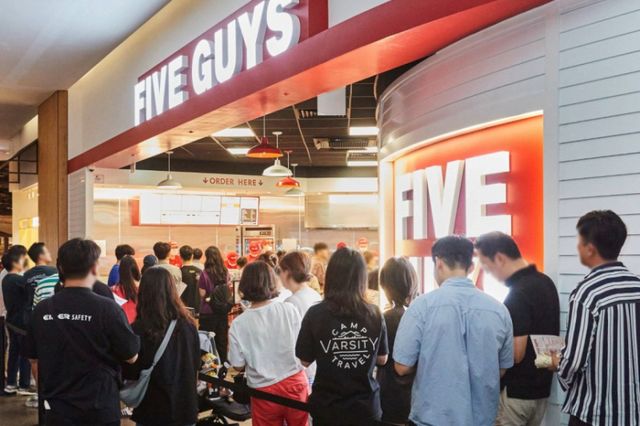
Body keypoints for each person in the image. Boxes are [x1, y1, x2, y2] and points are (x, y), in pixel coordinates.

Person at [394, 236, 513, 426]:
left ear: (438, 263)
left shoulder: (421, 307)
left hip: (431, 419)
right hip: (481, 420)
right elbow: (501, 368)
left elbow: (402, 366)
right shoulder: (499, 310)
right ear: (471, 267)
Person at [25, 238, 139, 426]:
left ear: (60, 268)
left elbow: (34, 361)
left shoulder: (42, 310)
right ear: (94, 268)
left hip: (57, 408)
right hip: (100, 406)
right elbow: (131, 356)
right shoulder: (108, 308)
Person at [550, 210, 640, 426]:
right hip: (634, 412)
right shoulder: (637, 286)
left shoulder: (587, 293)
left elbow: (573, 361)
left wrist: (555, 363)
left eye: (579, 242)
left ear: (590, 248)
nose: (577, 248)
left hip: (595, 412)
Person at [475, 232, 560, 426]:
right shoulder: (545, 282)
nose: (488, 273)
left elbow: (516, 354)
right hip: (541, 391)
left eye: (486, 266)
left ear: (500, 258)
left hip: (516, 395)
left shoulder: (518, 294)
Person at [296, 247, 389, 425]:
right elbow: (382, 359)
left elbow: (304, 360)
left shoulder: (315, 314)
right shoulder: (374, 313)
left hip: (328, 408)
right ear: (361, 278)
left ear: (331, 276)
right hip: (365, 408)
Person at [229, 261, 308, 426]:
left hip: (263, 389)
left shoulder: (239, 323)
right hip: (294, 381)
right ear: (272, 281)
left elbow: (237, 364)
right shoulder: (289, 309)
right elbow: (302, 347)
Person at [122, 267, 200, 426]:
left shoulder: (138, 329)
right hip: (185, 408)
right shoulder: (188, 325)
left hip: (152, 410)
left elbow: (131, 372)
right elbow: (195, 365)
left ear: (143, 293)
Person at [376, 257, 418, 425]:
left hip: (388, 393)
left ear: (385, 286)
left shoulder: (383, 318)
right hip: (415, 393)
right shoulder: (418, 316)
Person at [279, 251, 322, 385]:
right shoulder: (314, 294)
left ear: (287, 272)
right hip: (313, 366)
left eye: (280, 271)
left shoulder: (291, 302)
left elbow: (286, 341)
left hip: (298, 370)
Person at [2, 246, 31, 395]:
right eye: (23, 259)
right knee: (25, 353)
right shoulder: (18, 280)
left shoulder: (6, 279)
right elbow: (31, 291)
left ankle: (11, 384)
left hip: (11, 321)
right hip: (21, 323)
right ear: (15, 262)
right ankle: (24, 385)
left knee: (14, 353)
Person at [198, 246, 232, 362]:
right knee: (221, 339)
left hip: (208, 311)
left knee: (206, 339)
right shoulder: (225, 272)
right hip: (222, 310)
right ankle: (223, 363)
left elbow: (202, 293)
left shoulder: (204, 274)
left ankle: (209, 365)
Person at [24, 242, 57, 314]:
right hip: (50, 312)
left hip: (32, 313)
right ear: (40, 256)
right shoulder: (55, 272)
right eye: (47, 252)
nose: (50, 254)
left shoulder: (26, 275)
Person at [111, 255, 140, 323]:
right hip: (137, 325)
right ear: (136, 269)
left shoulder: (113, 290)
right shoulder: (143, 288)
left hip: (120, 324)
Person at [179, 245, 201, 313]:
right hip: (197, 306)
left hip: (183, 307)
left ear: (180, 256)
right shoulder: (200, 271)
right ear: (192, 256)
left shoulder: (179, 272)